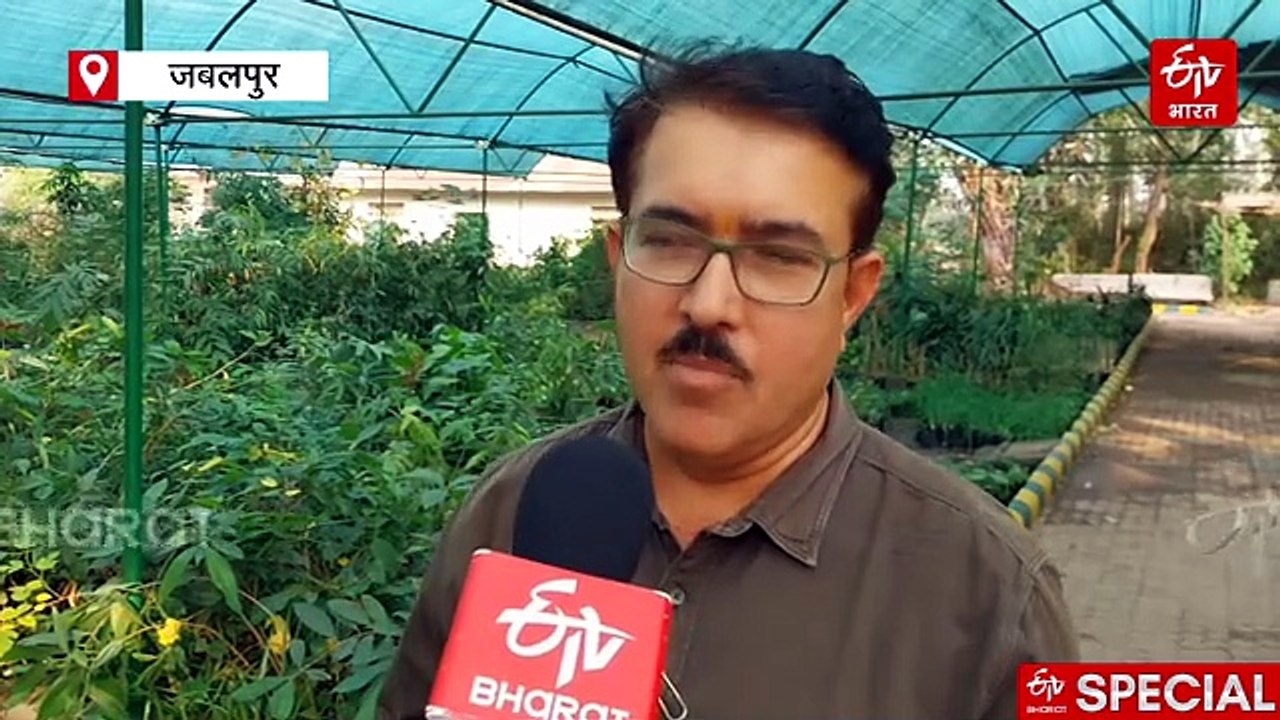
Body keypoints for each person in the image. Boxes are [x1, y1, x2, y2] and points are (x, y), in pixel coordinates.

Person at [378, 43, 1080, 720]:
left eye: (778, 256)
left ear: (852, 296)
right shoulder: (511, 509)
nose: (709, 303)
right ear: (619, 259)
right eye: (669, 241)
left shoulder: (988, 595)